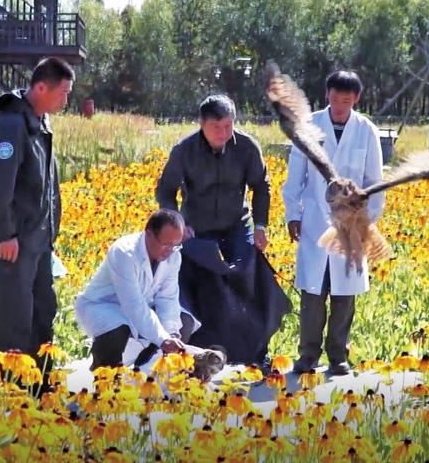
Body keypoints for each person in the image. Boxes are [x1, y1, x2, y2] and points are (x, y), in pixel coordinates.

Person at [282, 70, 386, 376]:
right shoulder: (309, 126)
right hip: (315, 221)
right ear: (326, 95)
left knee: (344, 295)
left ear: (356, 99)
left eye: (346, 99)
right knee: (313, 293)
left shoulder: (366, 130)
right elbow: (294, 178)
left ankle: (338, 356)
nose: (340, 105)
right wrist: (293, 215)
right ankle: (307, 356)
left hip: (352, 224)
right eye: (335, 98)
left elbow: (375, 180)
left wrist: (367, 222)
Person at [0, 56, 74, 381]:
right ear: (41, 87)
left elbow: (45, 186)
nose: (66, 100)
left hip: (38, 242)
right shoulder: (11, 125)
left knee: (42, 315)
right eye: (62, 93)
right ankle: (13, 396)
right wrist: (3, 233)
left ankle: (40, 387)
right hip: (14, 243)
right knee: (14, 322)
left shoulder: (40, 121)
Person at [156, 94, 271, 265]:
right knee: (200, 281)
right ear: (202, 124)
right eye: (216, 127)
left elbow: (261, 186)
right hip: (196, 227)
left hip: (237, 225)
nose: (222, 133)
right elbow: (165, 190)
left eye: (227, 126)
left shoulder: (247, 147)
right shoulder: (184, 150)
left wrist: (260, 226)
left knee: (246, 275)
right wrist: (178, 224)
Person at [74, 209, 193, 370]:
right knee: (117, 327)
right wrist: (163, 339)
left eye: (175, 246)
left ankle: (151, 373)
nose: (170, 251)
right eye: (166, 244)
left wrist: (171, 334)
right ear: (149, 234)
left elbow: (167, 297)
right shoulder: (124, 252)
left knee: (184, 321)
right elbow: (133, 305)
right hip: (103, 306)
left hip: (140, 307)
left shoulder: (173, 256)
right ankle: (104, 377)